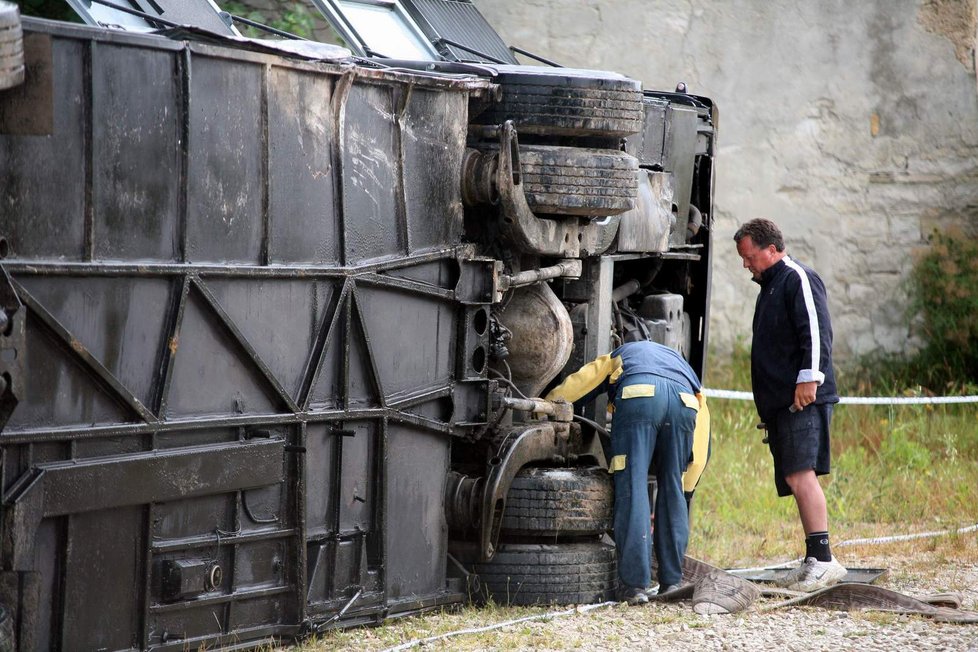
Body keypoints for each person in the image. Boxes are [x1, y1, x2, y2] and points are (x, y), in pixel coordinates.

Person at [545, 340, 711, 605]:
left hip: (639, 396)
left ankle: (634, 587)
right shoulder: (685, 369)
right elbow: (702, 437)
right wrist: (686, 488)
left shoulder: (621, 354)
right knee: (673, 489)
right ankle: (671, 582)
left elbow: (581, 382)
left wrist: (548, 403)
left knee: (633, 487)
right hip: (685, 403)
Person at [733, 218, 845, 592]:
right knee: (794, 478)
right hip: (784, 403)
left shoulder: (797, 277)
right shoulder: (770, 285)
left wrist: (809, 378)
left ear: (771, 249)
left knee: (801, 475)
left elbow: (815, 329)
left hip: (802, 400)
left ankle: (825, 560)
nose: (746, 265)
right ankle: (815, 556)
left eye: (750, 257)